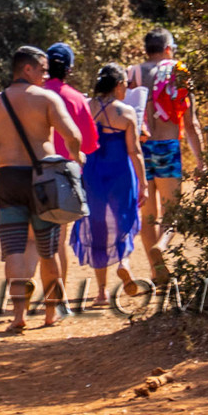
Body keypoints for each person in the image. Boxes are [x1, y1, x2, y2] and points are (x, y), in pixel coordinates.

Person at [0, 46, 86, 333]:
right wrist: (76, 157)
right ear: (27, 69)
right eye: (42, 69)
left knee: (12, 249)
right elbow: (73, 135)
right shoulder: (47, 98)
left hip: (8, 180)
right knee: (47, 251)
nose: (45, 74)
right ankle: (51, 313)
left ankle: (18, 316)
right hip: (42, 181)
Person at [125, 27, 203, 287]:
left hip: (140, 149)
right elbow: (191, 122)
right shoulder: (179, 71)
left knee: (148, 215)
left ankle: (157, 272)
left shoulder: (132, 73)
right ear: (168, 48)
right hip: (168, 146)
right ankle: (162, 245)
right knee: (172, 212)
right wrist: (201, 161)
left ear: (146, 49)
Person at [71, 64, 147, 308]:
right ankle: (124, 264)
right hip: (121, 173)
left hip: (92, 172)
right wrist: (143, 182)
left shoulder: (86, 108)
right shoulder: (125, 113)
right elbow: (134, 151)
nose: (126, 88)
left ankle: (102, 292)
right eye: (124, 83)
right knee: (123, 217)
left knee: (97, 226)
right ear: (117, 85)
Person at [43, 42, 99, 301]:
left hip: (32, 169)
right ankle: (59, 295)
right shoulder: (77, 98)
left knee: (36, 239)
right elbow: (88, 144)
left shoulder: (33, 94)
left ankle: (30, 289)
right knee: (60, 239)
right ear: (69, 69)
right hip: (65, 174)